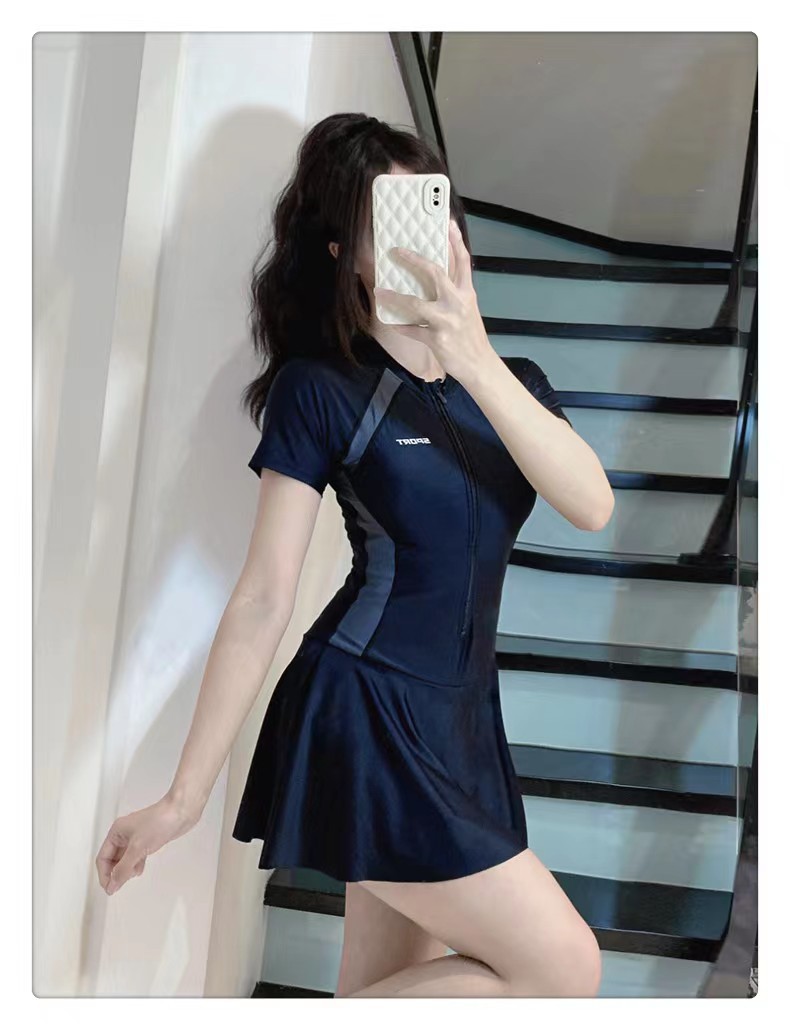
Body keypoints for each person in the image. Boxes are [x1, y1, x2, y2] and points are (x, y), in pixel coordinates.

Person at [95, 112, 614, 998]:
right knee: (562, 969)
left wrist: (472, 354)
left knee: (384, 986)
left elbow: (593, 505)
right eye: (387, 222)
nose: (420, 239)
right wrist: (184, 797)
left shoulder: (514, 382)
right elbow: (263, 598)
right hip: (368, 709)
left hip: (462, 720)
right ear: (345, 252)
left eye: (429, 209)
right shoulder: (323, 390)